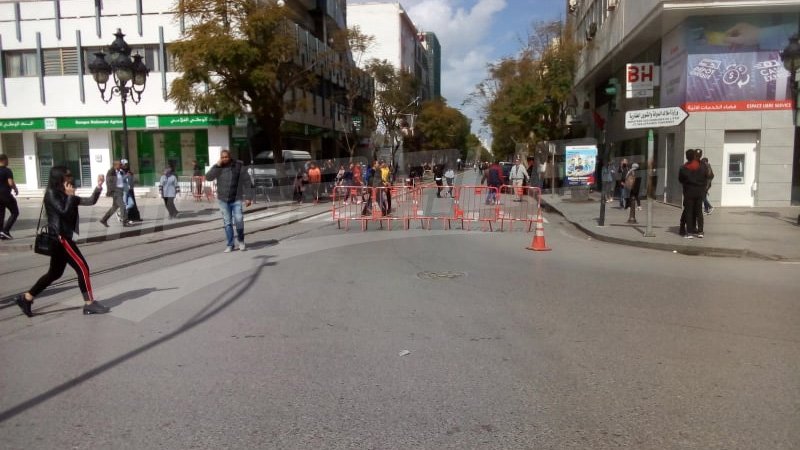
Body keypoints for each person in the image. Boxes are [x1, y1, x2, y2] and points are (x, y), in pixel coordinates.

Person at [16, 167, 109, 317]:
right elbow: (64, 211)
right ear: (59, 178)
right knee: (83, 268)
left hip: (64, 237)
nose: (70, 178)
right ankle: (89, 303)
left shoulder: (65, 193)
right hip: (61, 238)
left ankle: (26, 298)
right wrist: (70, 196)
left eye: (70, 175)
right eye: (67, 176)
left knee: (54, 273)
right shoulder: (52, 193)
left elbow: (90, 201)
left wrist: (98, 186)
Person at [205, 149, 254, 252]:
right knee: (227, 223)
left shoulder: (238, 165)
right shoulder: (219, 167)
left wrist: (248, 197)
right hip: (223, 199)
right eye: (222, 157)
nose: (224, 159)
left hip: (236, 198)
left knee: (239, 220)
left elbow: (247, 181)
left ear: (230, 157)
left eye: (226, 157)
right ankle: (230, 244)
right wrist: (216, 165)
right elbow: (208, 177)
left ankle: (241, 241)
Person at [678, 149, 708, 239]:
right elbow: (707, 176)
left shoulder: (684, 167)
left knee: (689, 211)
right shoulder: (703, 166)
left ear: (687, 157)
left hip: (689, 191)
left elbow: (680, 179)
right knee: (699, 211)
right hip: (700, 191)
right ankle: (700, 231)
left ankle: (689, 232)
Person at [99, 160, 130, 227]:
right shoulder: (111, 172)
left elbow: (120, 180)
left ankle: (104, 219)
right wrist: (112, 191)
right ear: (115, 165)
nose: (121, 165)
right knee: (122, 206)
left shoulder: (120, 172)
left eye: (121, 164)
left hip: (120, 191)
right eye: (120, 164)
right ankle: (125, 221)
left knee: (114, 207)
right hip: (116, 191)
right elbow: (108, 182)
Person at [0, 154, 20, 240]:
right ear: (4, 160)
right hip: (5, 195)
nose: (8, 161)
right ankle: (5, 231)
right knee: (15, 212)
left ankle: (1, 232)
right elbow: (10, 183)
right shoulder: (7, 170)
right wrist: (15, 189)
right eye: (7, 160)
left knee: (1, 214)